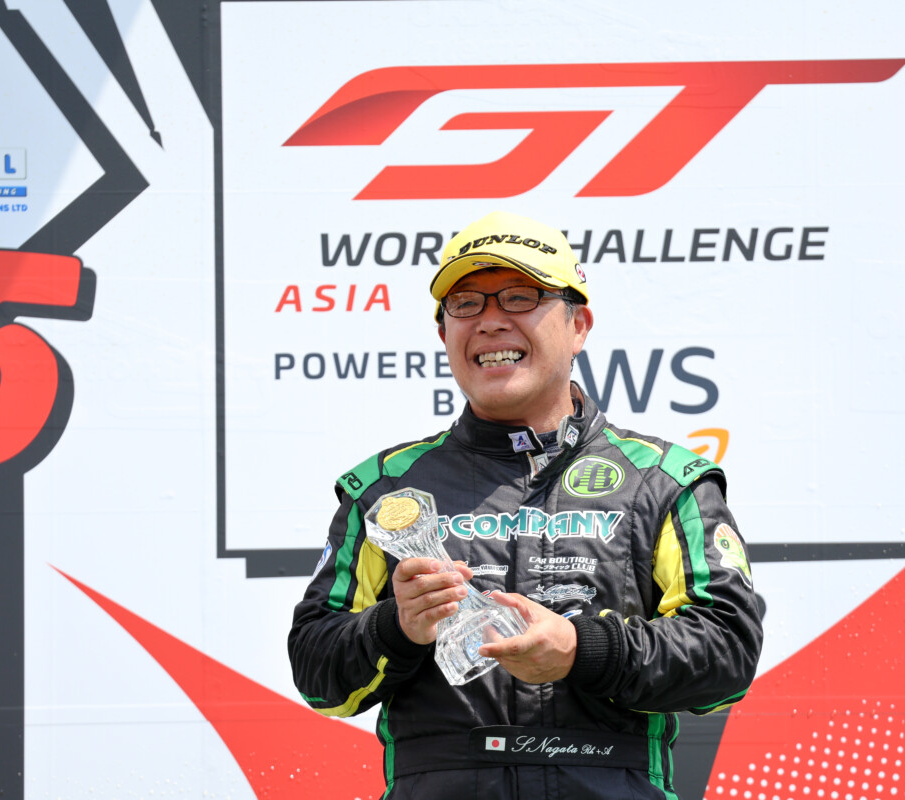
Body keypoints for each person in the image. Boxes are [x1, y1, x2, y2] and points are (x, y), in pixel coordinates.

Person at [289, 210, 763, 799]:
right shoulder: (385, 491)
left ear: (578, 325)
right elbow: (318, 679)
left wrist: (583, 650)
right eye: (465, 304)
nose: (490, 321)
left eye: (520, 297)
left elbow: (728, 658)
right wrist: (397, 627)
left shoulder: (663, 482)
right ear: (444, 334)